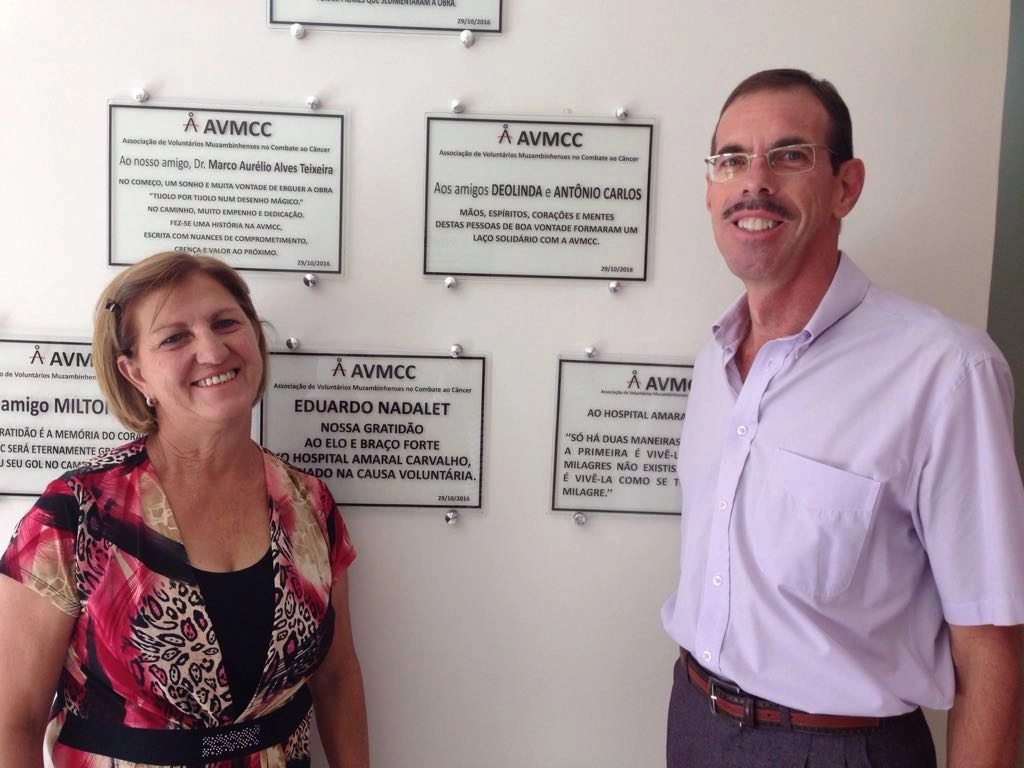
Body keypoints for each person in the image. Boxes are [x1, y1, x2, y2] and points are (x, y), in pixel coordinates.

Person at [661, 69, 1024, 768]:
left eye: (790, 155)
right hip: (695, 720)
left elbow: (991, 649)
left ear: (845, 186)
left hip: (839, 748)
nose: (753, 181)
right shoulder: (714, 364)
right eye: (731, 160)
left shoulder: (945, 372)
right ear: (710, 190)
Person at [0, 251, 370, 767]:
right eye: (174, 337)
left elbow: (336, 675)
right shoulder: (77, 513)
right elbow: (11, 720)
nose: (213, 350)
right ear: (135, 374)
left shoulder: (308, 503)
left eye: (225, 323)